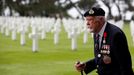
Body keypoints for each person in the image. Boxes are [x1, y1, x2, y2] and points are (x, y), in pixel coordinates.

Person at [75, 7, 134, 75]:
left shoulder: (115, 35)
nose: (87, 23)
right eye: (86, 20)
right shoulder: (97, 33)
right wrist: (86, 65)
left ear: (101, 19)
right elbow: (101, 57)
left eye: (90, 20)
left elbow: (125, 65)